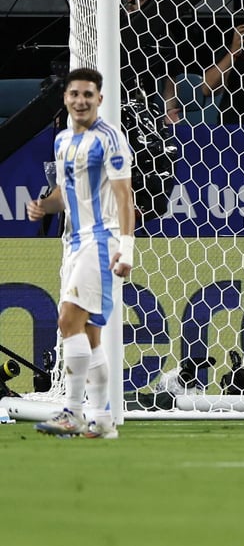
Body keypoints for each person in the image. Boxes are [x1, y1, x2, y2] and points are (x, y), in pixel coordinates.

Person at [26, 67, 136, 439]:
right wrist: (44, 205)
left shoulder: (110, 139)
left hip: (101, 241)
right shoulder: (61, 141)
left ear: (100, 99)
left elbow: (125, 196)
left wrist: (127, 250)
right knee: (89, 336)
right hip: (73, 242)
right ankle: (103, 420)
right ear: (66, 98)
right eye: (74, 94)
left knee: (66, 322)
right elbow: (63, 192)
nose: (81, 100)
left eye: (88, 95)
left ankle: (72, 412)